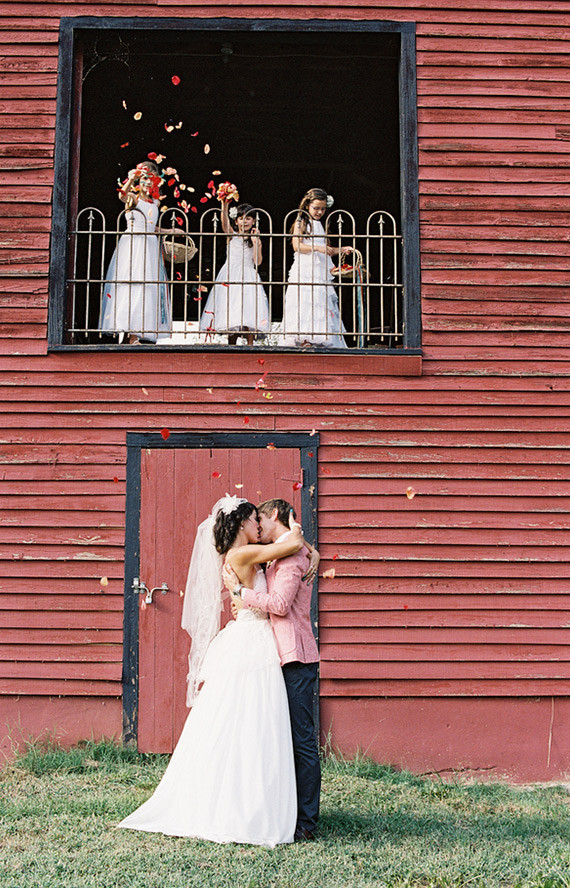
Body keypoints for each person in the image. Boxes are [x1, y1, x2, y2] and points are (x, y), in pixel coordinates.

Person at [118, 495, 318, 847]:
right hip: (252, 641)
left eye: (261, 519)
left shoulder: (247, 555)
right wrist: (301, 538)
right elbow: (291, 546)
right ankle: (242, 806)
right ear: (242, 524)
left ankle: (261, 803)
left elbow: (291, 554)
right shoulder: (242, 556)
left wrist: (310, 553)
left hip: (259, 640)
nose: (258, 525)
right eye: (254, 520)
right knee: (248, 723)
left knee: (253, 726)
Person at [224, 498, 321, 842]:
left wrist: (241, 592)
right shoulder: (281, 552)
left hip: (295, 656)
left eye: (261, 521)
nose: (259, 528)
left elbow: (279, 605)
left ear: (274, 516)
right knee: (276, 737)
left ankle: (307, 822)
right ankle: (281, 809)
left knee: (301, 740)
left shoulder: (292, 556)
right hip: (274, 655)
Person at [100, 161, 171, 344]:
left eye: (152, 181)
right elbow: (122, 196)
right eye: (146, 179)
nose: (149, 184)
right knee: (131, 284)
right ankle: (126, 331)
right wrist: (132, 178)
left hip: (150, 246)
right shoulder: (133, 197)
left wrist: (170, 232)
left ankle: (136, 334)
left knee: (147, 287)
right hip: (133, 245)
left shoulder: (155, 202)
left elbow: (151, 227)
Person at [281, 187, 351, 348]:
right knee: (306, 300)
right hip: (305, 268)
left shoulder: (321, 225)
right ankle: (305, 339)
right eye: (316, 208)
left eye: (323, 209)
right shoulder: (301, 222)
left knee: (320, 302)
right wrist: (318, 248)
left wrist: (342, 249)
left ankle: (318, 339)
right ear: (307, 206)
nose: (319, 212)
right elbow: (297, 245)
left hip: (320, 270)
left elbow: (327, 249)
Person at [199, 200, 270, 345]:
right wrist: (224, 204)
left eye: (248, 218)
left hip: (249, 274)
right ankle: (232, 343)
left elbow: (258, 261)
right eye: (241, 218)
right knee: (232, 307)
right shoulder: (232, 235)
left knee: (249, 307)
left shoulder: (255, 239)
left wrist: (256, 242)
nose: (244, 222)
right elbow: (224, 223)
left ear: (253, 221)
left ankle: (250, 343)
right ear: (236, 220)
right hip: (231, 274)